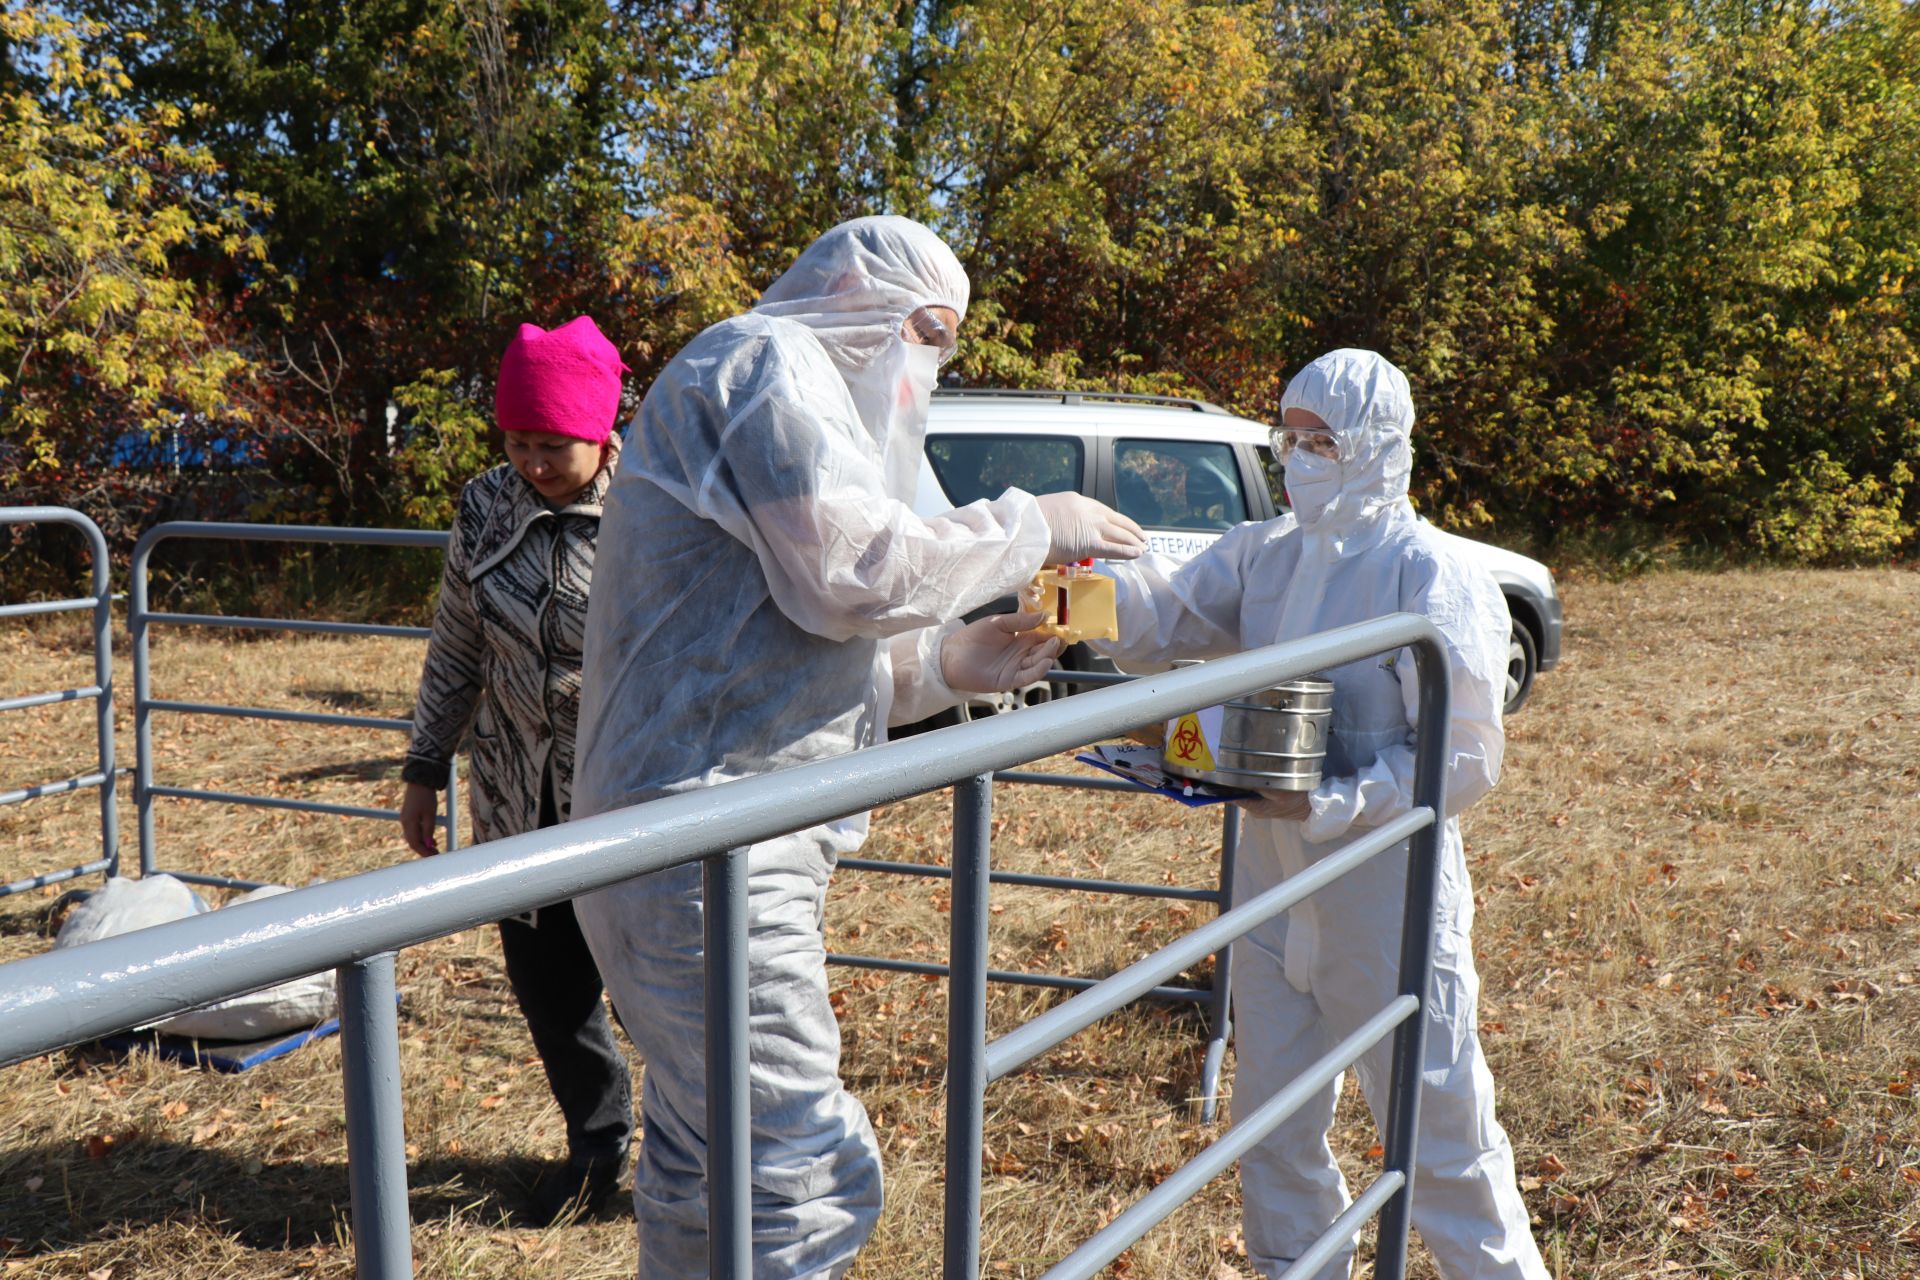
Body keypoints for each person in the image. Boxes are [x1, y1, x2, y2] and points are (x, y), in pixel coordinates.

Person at [570, 214, 1148, 1278]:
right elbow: (851, 569)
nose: (931, 363)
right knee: (800, 1166)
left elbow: (780, 644)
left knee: (710, 1155)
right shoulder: (763, 364)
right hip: (704, 849)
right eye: (930, 333)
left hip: (695, 831)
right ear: (867, 301)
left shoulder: (786, 390)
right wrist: (1032, 523)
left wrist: (945, 666)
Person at [1088, 349, 1549, 1280]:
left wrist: (1335, 800)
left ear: (1378, 447)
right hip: (1272, 887)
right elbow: (1163, 616)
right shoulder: (1269, 554)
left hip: (1384, 898)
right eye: (1289, 436)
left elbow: (1463, 758)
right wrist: (1077, 589)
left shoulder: (1434, 576)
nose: (1299, 456)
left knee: (1441, 1139)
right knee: (1274, 1130)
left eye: (1323, 440)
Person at [398, 316, 636, 1225]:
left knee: (659, 985)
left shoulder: (650, 511)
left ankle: (703, 1151)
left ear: (603, 437)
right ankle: (596, 1143)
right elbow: (458, 641)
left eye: (554, 445)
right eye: (518, 440)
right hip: (513, 788)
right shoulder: (486, 504)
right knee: (550, 985)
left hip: (625, 789)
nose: (534, 460)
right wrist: (426, 764)